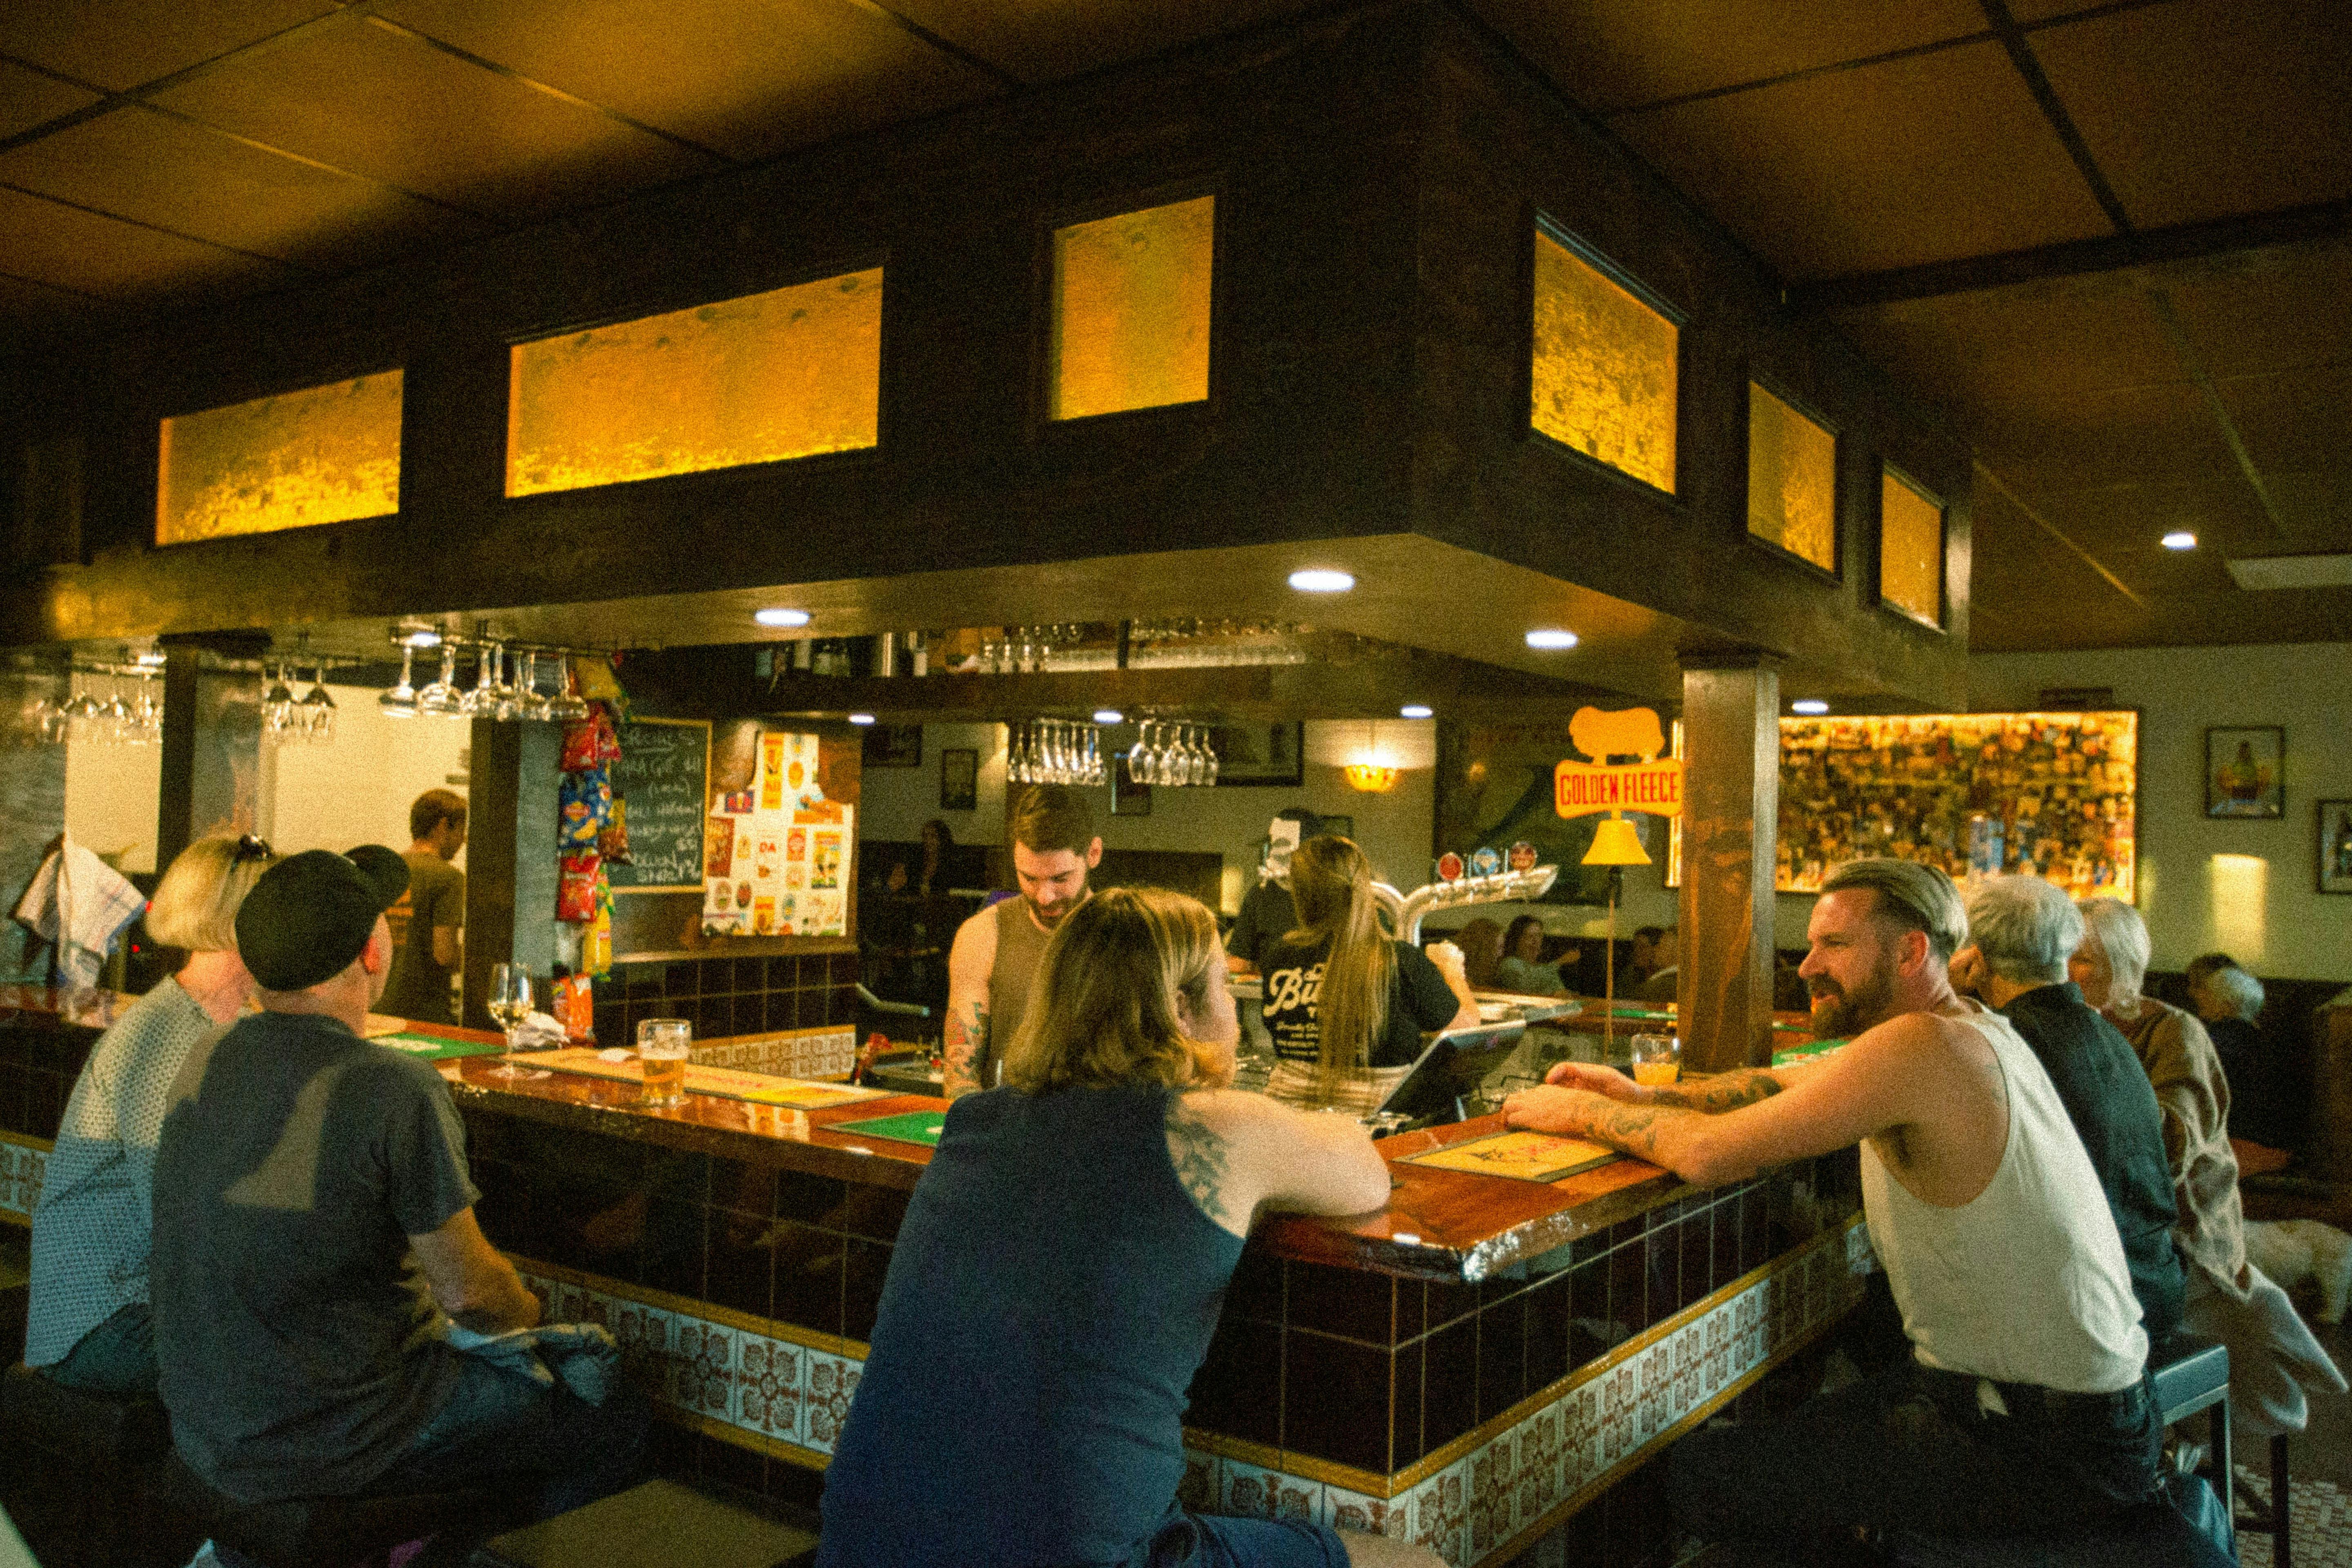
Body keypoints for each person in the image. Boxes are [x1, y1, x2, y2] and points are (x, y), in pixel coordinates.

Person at [1504, 858, 2163, 1550]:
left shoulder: (1922, 1046)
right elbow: (1775, 1083)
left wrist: (1574, 1111)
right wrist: (1641, 1097)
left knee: (1684, 1476)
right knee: (1775, 1456)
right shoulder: (1971, 1026)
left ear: (1911, 951)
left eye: (1835, 945)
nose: (1808, 964)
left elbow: (1709, 1155)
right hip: (2067, 1416)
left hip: (2034, 1443)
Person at [817, 886, 1439, 1568]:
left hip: (862, 1541)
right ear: (1181, 1008)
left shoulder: (973, 1122)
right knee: (1416, 1565)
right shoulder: (1219, 1130)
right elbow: (1367, 1174)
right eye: (1226, 989)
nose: (1235, 1008)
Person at [150, 846, 645, 1523]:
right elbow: (473, 1295)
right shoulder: (392, 1086)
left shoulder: (206, 1053)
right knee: (606, 1409)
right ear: (372, 954)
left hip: (207, 1428)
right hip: (334, 1438)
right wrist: (533, 1319)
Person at [2073, 898, 2346, 1431]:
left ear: (2121, 963)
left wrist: (2086, 1064)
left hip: (2182, 1240)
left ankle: (2146, 1454)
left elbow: (2170, 1147)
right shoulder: (2060, 1029)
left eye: (2077, 958)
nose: (2059, 971)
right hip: (2101, 1236)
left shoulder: (2174, 1032)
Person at [25, 834, 278, 1395]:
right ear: (243, 919)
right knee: (312, 1363)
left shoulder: (216, 1028)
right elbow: (181, 1213)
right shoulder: (167, 1035)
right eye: (278, 910)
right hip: (102, 1323)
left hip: (148, 1304)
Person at [1949, 876, 2183, 1341]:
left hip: (2101, 1306)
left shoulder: (2008, 1042)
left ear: (1975, 960)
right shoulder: (2108, 1035)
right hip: (2156, 1282)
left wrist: (1943, 996)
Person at [1258, 836, 1478, 1113]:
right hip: (1374, 1130)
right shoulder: (1401, 961)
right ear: (1364, 889)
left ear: (1299, 894)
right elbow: (1468, 1034)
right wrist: (1452, 969)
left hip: (1288, 1123)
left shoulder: (1279, 957)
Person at [944, 784, 1100, 1098]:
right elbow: (961, 1076)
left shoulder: (1124, 936)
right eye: (1029, 878)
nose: (1045, 897)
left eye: (1060, 879)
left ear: (1093, 854)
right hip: (1004, 1133)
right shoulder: (982, 935)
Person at [2187, 956, 2296, 1151]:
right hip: (2275, 1143)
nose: (2200, 998)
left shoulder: (2217, 1040)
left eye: (2208, 994)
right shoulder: (2265, 1041)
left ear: (2228, 1004)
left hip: (2235, 1144)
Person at [381, 788, 467, 1024]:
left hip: (379, 1006)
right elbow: (444, 954)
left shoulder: (386, 870)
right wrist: (480, 960)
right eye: (461, 830)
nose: (464, 840)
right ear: (442, 827)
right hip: (424, 1014)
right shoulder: (448, 878)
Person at [1224, 807, 1322, 975]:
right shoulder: (1259, 895)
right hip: (1273, 992)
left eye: (1285, 850)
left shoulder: (1332, 894)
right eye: (1273, 847)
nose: (1275, 856)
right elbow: (1241, 961)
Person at [1495, 915, 1569, 997]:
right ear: (1517, 940)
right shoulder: (1510, 964)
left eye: (1539, 936)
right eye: (1530, 937)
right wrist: (1559, 963)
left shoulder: (1544, 968)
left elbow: (1561, 992)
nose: (1536, 942)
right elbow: (1527, 989)